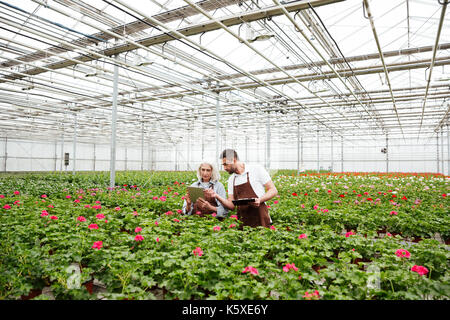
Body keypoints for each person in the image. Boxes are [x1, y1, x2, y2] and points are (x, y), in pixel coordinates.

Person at [212, 149, 278, 228]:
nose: (224, 168)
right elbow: (232, 206)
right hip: (243, 223)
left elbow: (273, 190)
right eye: (223, 165)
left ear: (234, 160)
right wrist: (216, 196)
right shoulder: (231, 180)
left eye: (226, 164)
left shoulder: (256, 169)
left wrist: (260, 200)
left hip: (261, 219)